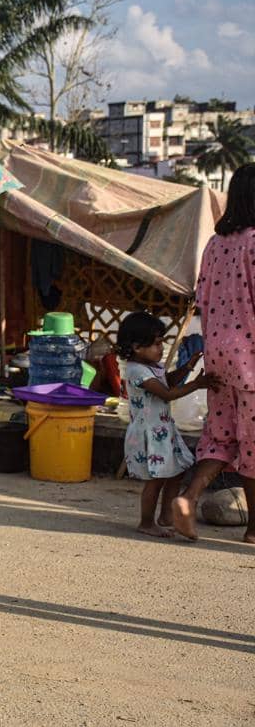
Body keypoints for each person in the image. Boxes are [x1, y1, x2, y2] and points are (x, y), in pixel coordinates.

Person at [172, 163, 255, 543]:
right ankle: (253, 529)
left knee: (221, 435)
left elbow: (201, 299)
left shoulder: (215, 244)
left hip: (218, 352)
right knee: (252, 443)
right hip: (250, 357)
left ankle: (188, 497)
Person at [116, 311, 217, 538]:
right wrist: (196, 384)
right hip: (150, 434)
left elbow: (167, 381)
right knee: (156, 480)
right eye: (156, 344)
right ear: (137, 347)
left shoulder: (152, 366)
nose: (161, 348)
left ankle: (166, 515)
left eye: (162, 342)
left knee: (177, 470)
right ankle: (146, 522)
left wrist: (187, 367)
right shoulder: (136, 370)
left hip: (162, 430)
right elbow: (167, 393)